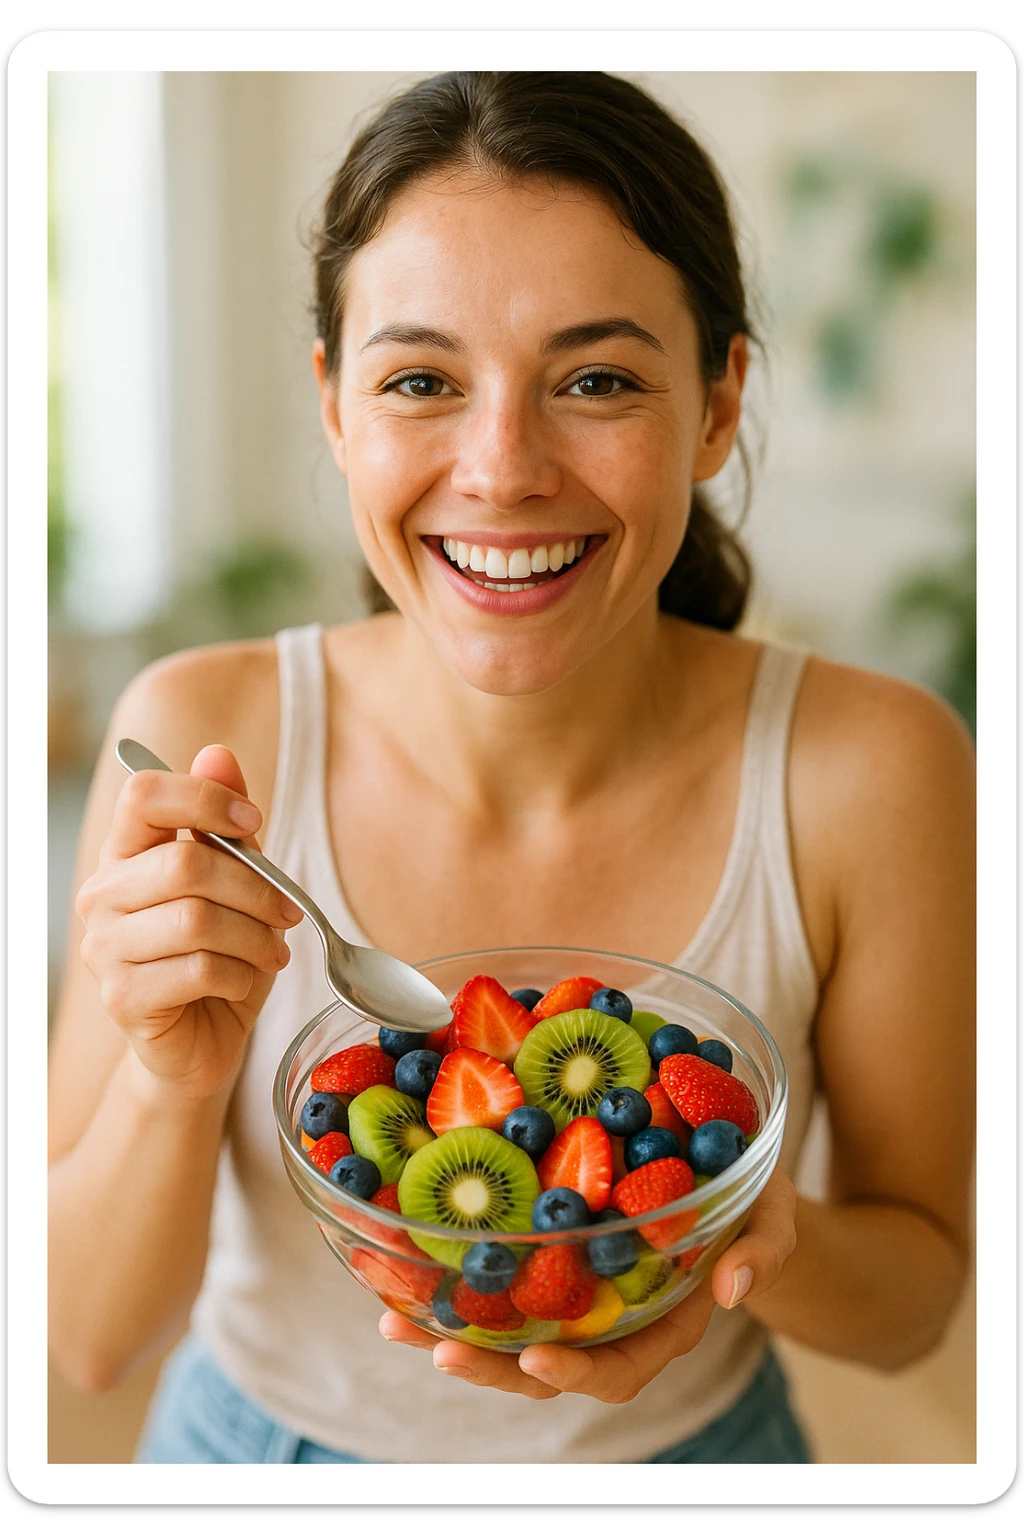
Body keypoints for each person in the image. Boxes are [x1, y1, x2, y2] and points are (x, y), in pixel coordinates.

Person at [47, 71, 975, 1466]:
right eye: (421, 381)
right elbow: (87, 1337)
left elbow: (913, 1308)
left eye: (596, 380)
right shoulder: (206, 737)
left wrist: (736, 1227)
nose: (501, 469)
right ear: (335, 404)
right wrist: (172, 1077)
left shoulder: (873, 768)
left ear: (720, 404)